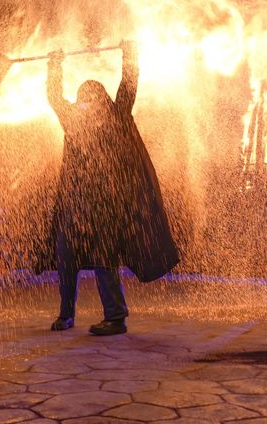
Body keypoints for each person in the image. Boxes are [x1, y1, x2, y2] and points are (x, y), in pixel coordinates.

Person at [43, 40, 179, 336]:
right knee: (65, 258)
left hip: (107, 206)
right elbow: (54, 96)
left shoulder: (117, 118)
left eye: (91, 98)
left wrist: (130, 54)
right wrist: (54, 65)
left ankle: (115, 316)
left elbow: (129, 85)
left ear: (103, 100)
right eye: (82, 99)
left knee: (104, 260)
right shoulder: (73, 123)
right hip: (75, 205)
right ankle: (66, 315)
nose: (85, 104)